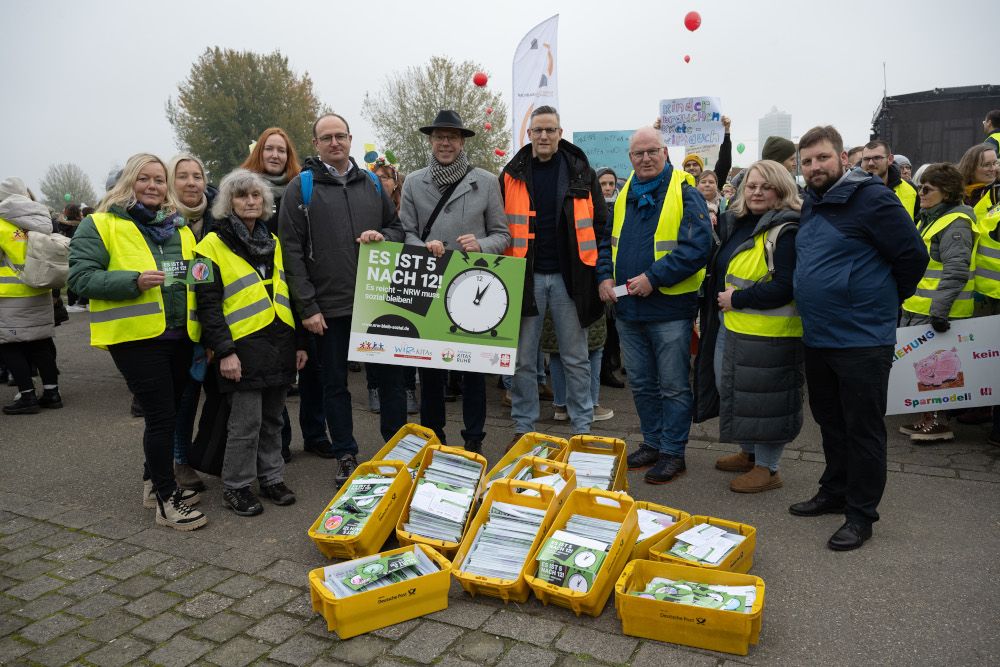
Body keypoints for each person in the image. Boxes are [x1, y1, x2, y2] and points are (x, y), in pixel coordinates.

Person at [789, 126, 927, 551]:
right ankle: (835, 491)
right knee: (830, 422)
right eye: (807, 161)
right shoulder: (812, 203)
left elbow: (912, 257)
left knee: (863, 429)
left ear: (842, 158)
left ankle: (861, 514)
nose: (814, 167)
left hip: (863, 340)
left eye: (822, 159)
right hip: (820, 336)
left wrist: (878, 303)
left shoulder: (872, 199)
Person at [68, 153, 207, 531]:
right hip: (135, 339)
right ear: (127, 182)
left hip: (179, 336)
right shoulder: (100, 224)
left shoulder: (178, 228)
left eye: (159, 180)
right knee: (160, 417)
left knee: (174, 412)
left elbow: (192, 279)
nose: (152, 186)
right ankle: (166, 500)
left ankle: (153, 484)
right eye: (143, 179)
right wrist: (133, 281)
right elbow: (79, 279)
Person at [278, 113, 406, 485]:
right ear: (315, 144)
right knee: (334, 385)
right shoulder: (300, 188)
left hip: (377, 303)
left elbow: (396, 227)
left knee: (392, 383)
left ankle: (396, 451)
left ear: (350, 139)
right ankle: (346, 453)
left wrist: (382, 236)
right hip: (329, 307)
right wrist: (308, 306)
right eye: (326, 138)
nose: (334, 143)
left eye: (340, 136)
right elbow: (291, 253)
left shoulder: (370, 182)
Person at [597, 127, 712, 484]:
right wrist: (604, 277)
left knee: (674, 386)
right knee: (643, 384)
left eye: (652, 152)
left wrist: (654, 278)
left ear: (664, 153)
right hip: (629, 311)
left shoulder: (684, 191)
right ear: (629, 159)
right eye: (638, 154)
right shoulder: (625, 193)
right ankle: (652, 443)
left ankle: (673, 452)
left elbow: (696, 248)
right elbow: (607, 242)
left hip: (670, 310)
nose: (645, 158)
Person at [195, 169, 305, 515]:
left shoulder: (272, 242)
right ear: (229, 202)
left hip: (278, 343)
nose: (251, 201)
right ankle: (236, 486)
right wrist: (224, 351)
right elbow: (207, 305)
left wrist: (299, 344)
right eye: (242, 196)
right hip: (240, 348)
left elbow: (288, 294)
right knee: (245, 424)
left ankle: (271, 477)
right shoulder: (209, 245)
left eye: (256, 196)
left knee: (274, 419)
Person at [400, 110, 509, 452]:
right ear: (431, 141)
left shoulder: (487, 181)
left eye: (451, 137)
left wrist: (482, 244)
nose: (445, 143)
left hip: (472, 284)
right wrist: (422, 246)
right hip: (429, 282)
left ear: (462, 142)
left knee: (474, 370)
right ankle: (433, 435)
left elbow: (502, 235)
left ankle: (474, 438)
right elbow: (404, 231)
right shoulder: (414, 181)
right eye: (438, 137)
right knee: (430, 371)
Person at [499, 106, 606, 446]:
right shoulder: (511, 173)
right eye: (538, 130)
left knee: (575, 357)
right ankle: (524, 426)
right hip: (524, 276)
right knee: (523, 359)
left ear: (560, 133)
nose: (544, 136)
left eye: (550, 130)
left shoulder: (580, 171)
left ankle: (582, 427)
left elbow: (600, 222)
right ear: (528, 134)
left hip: (569, 278)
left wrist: (594, 269)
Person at [693, 160, 802, 493]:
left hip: (769, 333)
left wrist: (737, 300)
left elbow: (785, 286)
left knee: (766, 402)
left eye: (765, 186)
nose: (756, 192)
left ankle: (768, 469)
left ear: (781, 190)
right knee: (734, 389)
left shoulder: (787, 230)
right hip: (733, 325)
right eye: (751, 185)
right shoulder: (737, 222)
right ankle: (751, 452)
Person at [895, 163, 977, 443]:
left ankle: (938, 422)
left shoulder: (956, 222)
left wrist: (939, 311)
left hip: (938, 312)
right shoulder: (929, 218)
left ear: (948, 191)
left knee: (939, 373)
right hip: (919, 308)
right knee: (924, 369)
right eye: (920, 186)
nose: (921, 192)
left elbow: (956, 270)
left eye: (927, 188)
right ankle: (927, 418)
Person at [166, 152, 216, 491]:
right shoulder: (160, 223)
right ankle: (178, 462)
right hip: (174, 327)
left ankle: (212, 457)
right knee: (182, 400)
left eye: (196, 176)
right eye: (182, 176)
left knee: (215, 397)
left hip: (214, 322)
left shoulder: (218, 217)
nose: (191, 182)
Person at [0, 178, 62, 414]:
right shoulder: (41, 218)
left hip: (9, 295)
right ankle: (52, 392)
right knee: (42, 342)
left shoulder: (1, 222)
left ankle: (27, 396)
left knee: (10, 346)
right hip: (41, 287)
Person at [367, 156, 418, 415]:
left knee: (405, 334)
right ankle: (373, 387)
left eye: (386, 177)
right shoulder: (366, 203)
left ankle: (409, 387)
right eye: (376, 176)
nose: (380, 181)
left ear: (396, 183)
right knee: (373, 336)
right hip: (374, 279)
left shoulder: (404, 207)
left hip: (403, 278)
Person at [956, 144, 1000, 444]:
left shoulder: (992, 196)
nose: (992, 168)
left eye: (995, 163)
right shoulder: (968, 195)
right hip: (974, 286)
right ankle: (979, 405)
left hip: (991, 288)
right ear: (971, 165)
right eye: (986, 164)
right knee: (977, 351)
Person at [596, 167, 625, 389]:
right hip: (596, 270)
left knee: (614, 321)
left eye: (610, 183)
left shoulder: (623, 205)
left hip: (618, 271)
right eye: (603, 183)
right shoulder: (592, 206)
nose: (607, 188)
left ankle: (613, 362)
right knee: (601, 322)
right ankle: (604, 368)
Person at [242, 127, 301, 227]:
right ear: (259, 153)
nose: (275, 155)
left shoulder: (300, 189)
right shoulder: (241, 189)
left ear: (288, 156)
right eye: (269, 149)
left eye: (281, 151)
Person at [860, 140, 919, 220]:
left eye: (877, 158)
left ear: (890, 159)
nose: (871, 163)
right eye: (866, 159)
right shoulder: (851, 190)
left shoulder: (911, 189)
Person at [680, 116, 733, 185]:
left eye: (695, 164)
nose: (691, 168)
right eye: (687, 165)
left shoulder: (711, 182)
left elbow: (724, 163)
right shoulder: (678, 186)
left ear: (701, 168)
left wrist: (726, 132)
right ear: (684, 169)